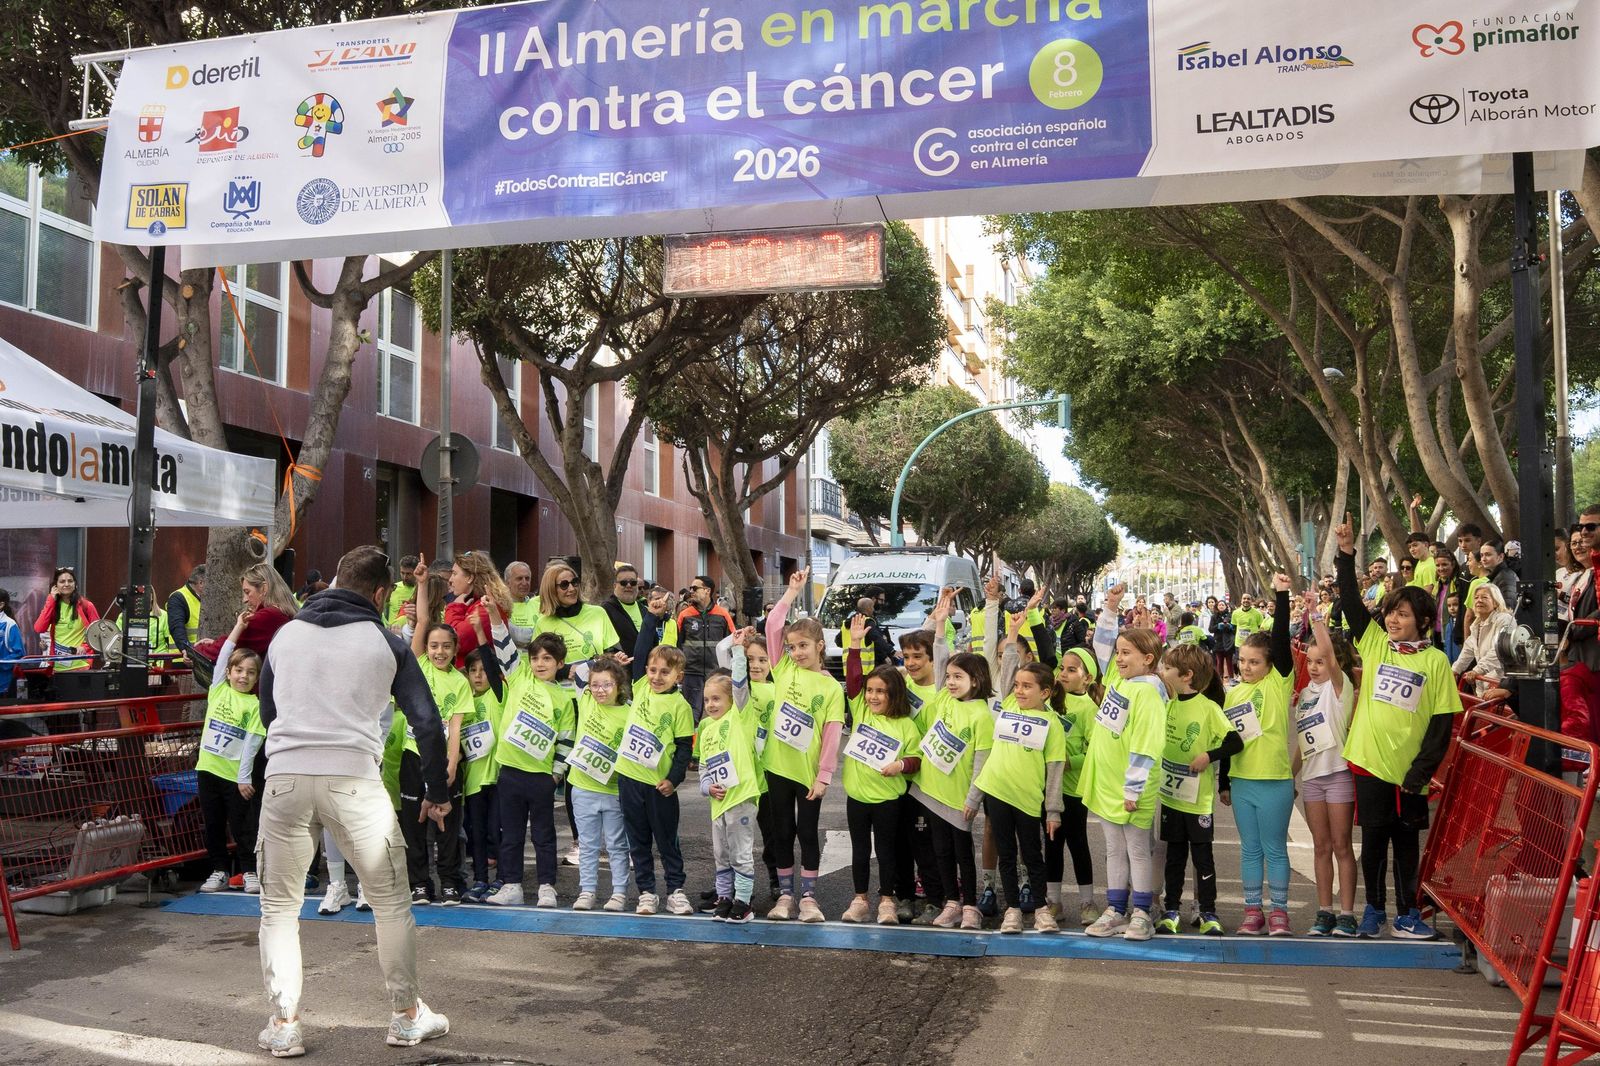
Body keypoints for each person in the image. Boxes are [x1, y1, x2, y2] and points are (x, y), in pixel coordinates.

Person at [255, 545, 452, 1058]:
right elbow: (427, 723)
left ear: (337, 579)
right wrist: (437, 793)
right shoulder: (386, 642)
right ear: (381, 594)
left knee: (279, 909)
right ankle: (406, 1016)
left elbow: (268, 709)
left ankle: (284, 1023)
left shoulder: (286, 635)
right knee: (390, 904)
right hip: (355, 781)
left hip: (285, 778)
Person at [1333, 512, 1462, 940]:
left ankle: (1408, 913)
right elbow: (1352, 604)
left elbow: (1441, 723)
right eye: (1390, 613)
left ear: (1422, 621)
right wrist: (1346, 554)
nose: (1392, 620)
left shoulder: (1436, 661)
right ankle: (1373, 910)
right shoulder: (1375, 644)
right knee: (1373, 842)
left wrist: (1420, 772)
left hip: (1410, 773)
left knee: (1406, 845)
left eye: (1402, 615)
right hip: (1369, 762)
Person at [970, 605, 1065, 935]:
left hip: (1027, 799)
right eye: (1018, 685)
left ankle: (1040, 909)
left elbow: (1055, 769)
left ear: (1045, 693)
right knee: (1006, 855)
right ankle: (1011, 909)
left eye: (1028, 687)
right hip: (997, 791)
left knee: (1032, 855)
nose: (1020, 690)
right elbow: (1008, 662)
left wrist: (1053, 811)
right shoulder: (1009, 702)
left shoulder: (1052, 723)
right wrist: (1012, 632)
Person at [762, 567, 846, 923]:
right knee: (782, 832)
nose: (796, 652)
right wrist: (791, 593)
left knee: (808, 833)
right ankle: (785, 895)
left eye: (803, 646)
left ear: (819, 646)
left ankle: (809, 897)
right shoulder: (783, 669)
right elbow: (772, 625)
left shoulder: (831, 688)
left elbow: (832, 733)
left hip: (809, 773)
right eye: (792, 647)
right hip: (777, 766)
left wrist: (824, 775)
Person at [1221, 574, 1296, 936]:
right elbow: (1226, 739)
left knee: (1275, 849)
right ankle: (1253, 911)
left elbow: (1280, 638)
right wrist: (1223, 782)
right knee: (1250, 850)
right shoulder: (1233, 693)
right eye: (1242, 661)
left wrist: (1282, 595)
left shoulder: (1278, 682)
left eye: (1254, 662)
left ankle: (1279, 912)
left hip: (1275, 780)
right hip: (1241, 781)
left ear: (1270, 664)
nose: (1246, 667)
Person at [1153, 643, 1240, 937]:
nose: (1162, 671)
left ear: (1187, 675)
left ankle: (1208, 912)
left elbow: (1234, 742)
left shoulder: (1208, 708)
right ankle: (1171, 911)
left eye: (1167, 667)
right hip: (1171, 797)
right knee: (1174, 857)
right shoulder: (1168, 705)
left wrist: (1208, 756)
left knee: (1203, 857)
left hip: (1198, 801)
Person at [486, 633, 576, 908]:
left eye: (547, 658)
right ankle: (512, 885)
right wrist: (494, 615)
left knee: (543, 835)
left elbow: (566, 741)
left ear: (560, 663)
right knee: (511, 834)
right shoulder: (519, 677)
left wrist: (556, 775)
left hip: (541, 778)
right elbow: (503, 644)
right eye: (535, 658)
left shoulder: (563, 699)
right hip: (510, 772)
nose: (540, 663)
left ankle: (547, 887)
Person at [840, 649, 926, 925]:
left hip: (888, 799)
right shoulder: (861, 710)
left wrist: (899, 765)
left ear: (894, 694)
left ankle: (887, 900)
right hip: (857, 796)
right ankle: (860, 900)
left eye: (881, 691)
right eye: (870, 690)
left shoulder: (906, 725)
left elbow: (916, 759)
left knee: (887, 851)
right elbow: (853, 679)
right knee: (860, 850)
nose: (873, 697)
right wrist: (855, 646)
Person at [910, 647, 994, 931]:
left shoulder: (982, 716)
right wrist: (939, 626)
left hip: (959, 798)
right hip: (931, 790)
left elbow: (981, 762)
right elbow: (940, 654)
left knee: (962, 854)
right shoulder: (944, 698)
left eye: (958, 677)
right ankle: (952, 903)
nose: (950, 682)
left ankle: (970, 906)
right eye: (948, 676)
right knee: (941, 851)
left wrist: (973, 799)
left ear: (976, 680)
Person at [1293, 591, 1359, 938]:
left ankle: (1347, 913)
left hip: (1338, 775)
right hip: (1313, 780)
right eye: (1310, 661)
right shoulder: (1305, 694)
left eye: (1320, 661)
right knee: (1320, 847)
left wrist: (1315, 615)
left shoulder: (1340, 687)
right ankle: (1325, 911)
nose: (1315, 667)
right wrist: (1289, 776)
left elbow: (1331, 657)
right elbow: (1302, 742)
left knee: (1341, 845)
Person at [407, 561, 472, 905]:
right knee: (414, 823)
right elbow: (421, 621)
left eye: (446, 646)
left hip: (444, 761)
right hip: (412, 756)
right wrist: (421, 584)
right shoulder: (417, 666)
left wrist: (451, 764)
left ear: (455, 649)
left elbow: (456, 727)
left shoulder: (460, 682)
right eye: (434, 646)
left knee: (447, 823)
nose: (439, 652)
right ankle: (419, 883)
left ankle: (449, 880)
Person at [616, 645, 696, 916]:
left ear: (678, 676)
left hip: (659, 786)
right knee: (637, 841)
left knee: (666, 840)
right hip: (630, 779)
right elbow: (641, 644)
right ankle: (647, 892)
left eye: (665, 672)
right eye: (653, 670)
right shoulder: (640, 689)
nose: (657, 677)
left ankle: (676, 890)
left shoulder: (680, 706)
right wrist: (651, 621)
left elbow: (684, 748)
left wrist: (673, 779)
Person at [196, 615, 267, 896]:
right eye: (238, 670)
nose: (243, 676)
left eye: (250, 673)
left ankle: (249, 870)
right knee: (213, 824)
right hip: (208, 770)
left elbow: (252, 744)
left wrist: (243, 777)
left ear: (257, 678)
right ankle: (219, 870)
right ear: (228, 672)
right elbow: (225, 653)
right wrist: (238, 627)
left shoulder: (255, 705)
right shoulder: (217, 690)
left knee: (242, 826)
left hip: (235, 777)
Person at [567, 658, 635, 912]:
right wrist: (605, 660)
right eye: (595, 685)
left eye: (607, 684)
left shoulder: (630, 711)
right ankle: (587, 891)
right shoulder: (585, 699)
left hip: (614, 790)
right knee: (588, 845)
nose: (600, 690)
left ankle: (619, 893)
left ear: (619, 685)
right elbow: (580, 670)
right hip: (582, 787)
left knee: (617, 845)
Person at [699, 661, 760, 923]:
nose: (710, 704)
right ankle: (724, 897)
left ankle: (743, 902)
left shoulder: (739, 718)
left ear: (731, 700)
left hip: (741, 800)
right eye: (706, 700)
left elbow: (740, 685)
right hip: (718, 804)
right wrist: (707, 787)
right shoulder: (706, 730)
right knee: (721, 855)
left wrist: (737, 652)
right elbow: (704, 767)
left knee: (740, 854)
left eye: (716, 699)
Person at [1050, 647, 1101, 926]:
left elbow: (1095, 749)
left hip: (1073, 790)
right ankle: (1053, 901)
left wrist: (1071, 762)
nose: (1064, 674)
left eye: (1072, 670)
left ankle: (1087, 902)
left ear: (1087, 677)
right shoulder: (1050, 700)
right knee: (1052, 844)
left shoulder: (1090, 709)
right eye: (1062, 668)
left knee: (1078, 844)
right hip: (1049, 788)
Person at [459, 643, 507, 905]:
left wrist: (480, 632)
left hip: (497, 777)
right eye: (472, 670)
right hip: (473, 780)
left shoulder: (498, 696)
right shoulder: (463, 704)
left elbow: (491, 664)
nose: (478, 675)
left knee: (496, 831)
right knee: (476, 833)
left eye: (483, 670)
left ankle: (502, 879)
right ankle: (479, 880)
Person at [532, 562, 625, 688]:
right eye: (564, 585)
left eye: (574, 582)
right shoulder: (542, 623)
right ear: (551, 589)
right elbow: (537, 666)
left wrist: (614, 658)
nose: (572, 589)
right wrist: (565, 670)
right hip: (558, 693)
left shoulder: (598, 613)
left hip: (593, 691)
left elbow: (613, 652)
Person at [441, 551, 515, 672]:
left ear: (470, 578)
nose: (450, 579)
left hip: (479, 678)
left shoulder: (485, 608)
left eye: (454, 574)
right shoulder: (475, 603)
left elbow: (453, 641)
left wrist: (454, 608)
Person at [675, 575, 736, 719]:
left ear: (707, 591)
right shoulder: (684, 615)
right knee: (690, 714)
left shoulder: (723, 615)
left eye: (695, 588)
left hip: (716, 673)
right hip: (691, 673)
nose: (691, 591)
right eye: (690, 588)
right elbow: (677, 644)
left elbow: (732, 642)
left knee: (716, 713)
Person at [1454, 584, 1514, 702]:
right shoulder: (1477, 624)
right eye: (1476, 597)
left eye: (1484, 597)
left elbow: (1498, 651)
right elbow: (1468, 649)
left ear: (1496, 602)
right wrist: (1455, 670)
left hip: (1501, 683)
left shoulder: (1504, 619)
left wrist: (1477, 670)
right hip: (1483, 681)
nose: (1479, 600)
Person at [33, 566, 98, 670]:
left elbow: (98, 633)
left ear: (75, 584)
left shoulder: (87, 606)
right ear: (55, 586)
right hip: (57, 667)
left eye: (70, 581)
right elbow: (39, 628)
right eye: (62, 581)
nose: (66, 584)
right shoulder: (52, 605)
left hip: (81, 666)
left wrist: (85, 647)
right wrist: (51, 599)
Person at [602, 564, 647, 659]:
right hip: (620, 665)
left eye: (633, 582)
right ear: (615, 585)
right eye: (623, 583)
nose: (628, 585)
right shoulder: (605, 610)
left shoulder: (644, 609)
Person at [166, 565, 206, 656]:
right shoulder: (178, 598)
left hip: (202, 656)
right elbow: (177, 627)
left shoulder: (205, 599)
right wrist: (186, 650)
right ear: (201, 583)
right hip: (183, 658)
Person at [1477, 541, 1520, 616]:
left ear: (1501, 557)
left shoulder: (1506, 577)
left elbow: (1509, 608)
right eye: (1481, 555)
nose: (1483, 559)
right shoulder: (1498, 576)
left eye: (1488, 555)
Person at [503, 561, 537, 647]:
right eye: (519, 578)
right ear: (507, 583)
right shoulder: (500, 606)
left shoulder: (538, 604)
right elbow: (518, 637)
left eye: (527, 578)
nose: (524, 583)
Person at [0, 588, 23, 698]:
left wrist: (1, 663)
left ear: (1, 604)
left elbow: (19, 653)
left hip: (3, 684)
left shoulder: (9, 624)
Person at [385, 556, 418, 628]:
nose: (405, 577)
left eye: (408, 574)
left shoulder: (421, 591)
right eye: (402, 573)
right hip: (392, 632)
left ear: (416, 572)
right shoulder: (393, 588)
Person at [1210, 608, 1236, 683]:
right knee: (1219, 661)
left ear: (1226, 606)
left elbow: (1235, 629)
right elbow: (1210, 629)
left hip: (1228, 642)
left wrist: (1230, 626)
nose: (1221, 606)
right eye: (1219, 605)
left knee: (1229, 661)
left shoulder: (1231, 616)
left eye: (1223, 604)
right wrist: (1217, 626)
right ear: (1217, 606)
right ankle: (1220, 679)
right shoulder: (1214, 616)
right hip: (1218, 642)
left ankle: (1231, 678)